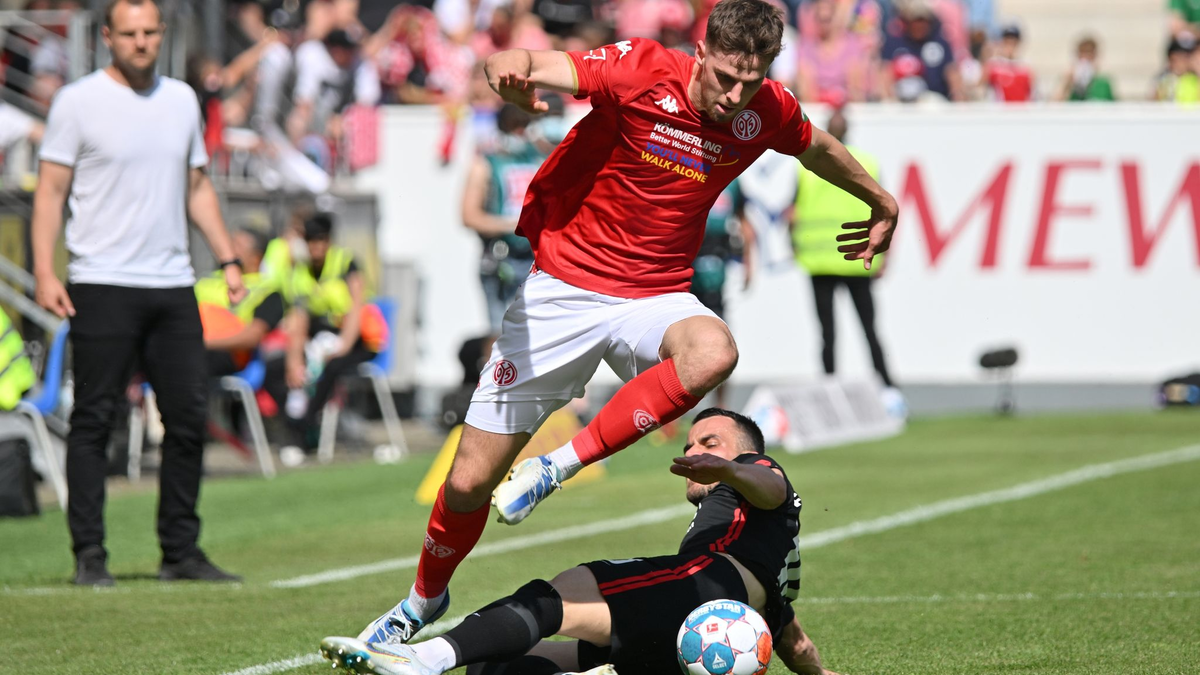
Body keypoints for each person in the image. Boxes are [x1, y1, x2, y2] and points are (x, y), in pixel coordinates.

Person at [357, 0, 898, 645]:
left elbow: (821, 149)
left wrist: (879, 200)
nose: (733, 95)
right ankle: (422, 599)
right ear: (700, 52)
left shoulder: (767, 109)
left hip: (655, 295)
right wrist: (508, 70)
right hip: (563, 290)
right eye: (724, 76)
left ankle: (557, 465)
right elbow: (529, 62)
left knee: (714, 351)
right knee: (469, 482)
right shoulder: (640, 69)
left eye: (749, 82)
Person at [322, 409, 838, 675]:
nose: (695, 451)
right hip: (684, 634)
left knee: (557, 594)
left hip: (702, 587)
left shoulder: (753, 471)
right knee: (496, 665)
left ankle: (422, 659)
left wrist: (728, 466)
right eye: (689, 444)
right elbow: (788, 633)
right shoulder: (769, 555)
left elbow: (769, 485)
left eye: (710, 441)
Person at [31, 0, 244, 585]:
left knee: (188, 414)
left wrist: (226, 256)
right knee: (95, 418)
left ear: (162, 34)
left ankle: (180, 552)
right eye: (129, 33)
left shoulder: (181, 100)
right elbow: (50, 192)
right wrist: (46, 272)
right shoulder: (78, 102)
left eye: (150, 31)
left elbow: (196, 186)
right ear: (107, 37)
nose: (141, 42)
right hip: (101, 280)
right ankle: (90, 557)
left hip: (172, 281)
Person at [793, 109, 899, 407]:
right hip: (857, 259)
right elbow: (887, 211)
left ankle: (829, 391)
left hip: (821, 261)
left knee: (828, 334)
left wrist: (795, 246)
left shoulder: (806, 167)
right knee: (869, 329)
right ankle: (888, 389)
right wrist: (885, 255)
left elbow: (793, 213)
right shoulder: (868, 162)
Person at [266, 212, 386, 455]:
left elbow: (356, 308)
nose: (316, 247)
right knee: (276, 370)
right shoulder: (300, 270)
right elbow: (299, 317)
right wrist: (294, 360)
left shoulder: (346, 262)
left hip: (358, 341)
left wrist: (343, 345)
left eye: (321, 240)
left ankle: (303, 428)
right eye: (311, 240)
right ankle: (294, 421)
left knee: (331, 368)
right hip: (320, 339)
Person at [462, 103, 545, 333]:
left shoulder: (538, 159)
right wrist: (512, 225)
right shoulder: (484, 164)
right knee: (500, 337)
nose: (520, 133)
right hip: (500, 260)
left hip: (534, 261)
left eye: (523, 127)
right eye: (514, 127)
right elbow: (469, 215)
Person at [197, 229, 288, 378]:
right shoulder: (207, 280)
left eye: (237, 245)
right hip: (187, 343)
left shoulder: (267, 291)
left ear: (256, 257)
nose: (229, 249)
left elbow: (252, 337)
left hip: (225, 355)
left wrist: (203, 343)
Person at [880, 0, 963, 102]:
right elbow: (885, 72)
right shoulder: (895, 42)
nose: (920, 25)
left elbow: (952, 72)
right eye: (916, 20)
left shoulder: (940, 42)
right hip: (900, 102)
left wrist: (958, 97)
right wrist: (888, 99)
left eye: (924, 20)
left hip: (934, 100)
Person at [1057, 36, 1116, 102]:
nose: (1085, 60)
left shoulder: (1103, 83)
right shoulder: (1069, 80)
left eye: (1089, 55)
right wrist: (1066, 83)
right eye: (1082, 55)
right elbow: (1054, 106)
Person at [985, 23, 1034, 102]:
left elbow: (1032, 93)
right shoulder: (993, 65)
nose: (1010, 46)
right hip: (999, 112)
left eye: (1013, 42)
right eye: (1007, 42)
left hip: (1021, 111)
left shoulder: (1026, 67)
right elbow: (980, 88)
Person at [1153, 36, 1200, 103]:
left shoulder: (1195, 79)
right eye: (1175, 59)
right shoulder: (1165, 79)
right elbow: (1154, 103)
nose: (1182, 61)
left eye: (1186, 57)